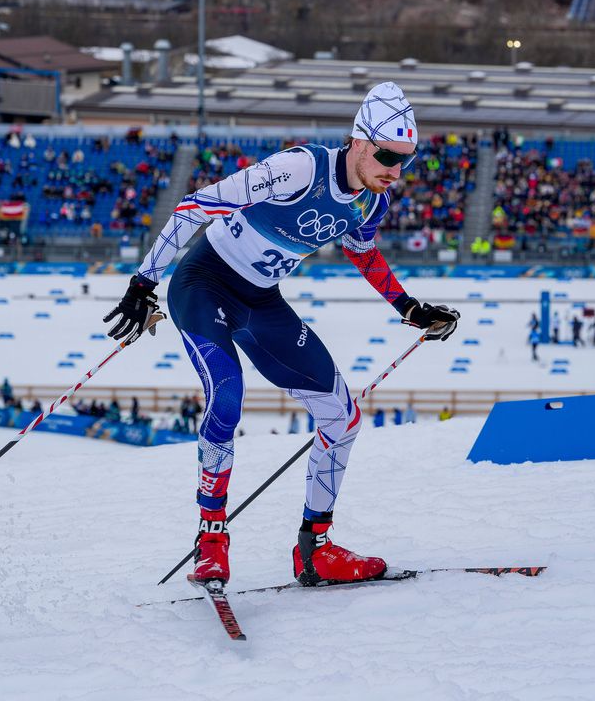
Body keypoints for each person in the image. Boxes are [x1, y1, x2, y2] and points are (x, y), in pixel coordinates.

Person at [103, 82, 460, 588]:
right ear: (359, 142)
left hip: (261, 301)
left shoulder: (371, 200)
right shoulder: (300, 169)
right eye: (387, 156)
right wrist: (143, 283)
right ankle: (211, 542)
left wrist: (409, 307)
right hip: (204, 284)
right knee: (227, 395)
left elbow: (362, 252)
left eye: (407, 160)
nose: (396, 171)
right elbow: (195, 206)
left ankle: (315, 549)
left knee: (342, 417)